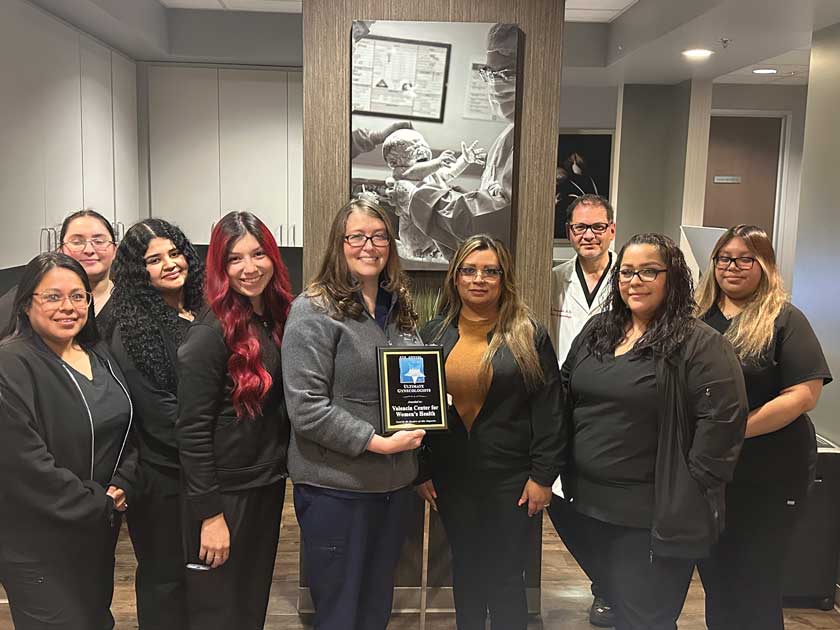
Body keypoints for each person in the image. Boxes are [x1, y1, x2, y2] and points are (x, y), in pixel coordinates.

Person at [562, 233, 748, 630]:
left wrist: (691, 487)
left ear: (673, 277)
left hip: (652, 515)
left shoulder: (699, 343)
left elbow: (722, 423)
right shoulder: (598, 330)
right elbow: (565, 390)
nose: (635, 281)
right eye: (626, 272)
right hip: (588, 505)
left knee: (647, 618)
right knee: (622, 608)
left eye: (649, 271)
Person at [281, 198, 425, 630]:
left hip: (393, 486)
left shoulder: (398, 308)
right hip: (337, 490)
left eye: (379, 236)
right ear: (338, 243)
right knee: (340, 612)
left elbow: (408, 380)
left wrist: (433, 401)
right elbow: (306, 407)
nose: (369, 246)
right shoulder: (312, 309)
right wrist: (378, 443)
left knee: (376, 605)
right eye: (357, 236)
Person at [415, 235, 565, 630]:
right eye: (469, 270)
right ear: (455, 277)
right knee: (465, 566)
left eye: (490, 271)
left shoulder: (529, 334)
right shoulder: (433, 333)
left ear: (504, 278)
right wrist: (422, 469)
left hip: (512, 478)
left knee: (505, 571)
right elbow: (419, 409)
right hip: (452, 476)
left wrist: (543, 476)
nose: (478, 279)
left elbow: (550, 410)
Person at [695, 225, 832, 630]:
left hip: (770, 472)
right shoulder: (697, 319)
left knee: (755, 579)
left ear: (765, 265)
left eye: (745, 259)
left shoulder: (784, 319)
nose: (732, 267)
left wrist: (734, 431)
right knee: (717, 577)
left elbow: (803, 395)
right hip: (711, 472)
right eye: (724, 258)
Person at [0, 252, 135, 630]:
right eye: (52, 296)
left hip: (94, 535)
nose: (68, 307)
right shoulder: (11, 364)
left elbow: (127, 425)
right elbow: (23, 463)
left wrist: (125, 480)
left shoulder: (98, 353)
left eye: (78, 296)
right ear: (26, 304)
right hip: (37, 543)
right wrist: (97, 502)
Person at [175, 211, 293, 629]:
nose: (249, 268)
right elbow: (191, 431)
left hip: (264, 484)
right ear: (220, 267)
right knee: (218, 611)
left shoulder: (274, 318)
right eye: (235, 259)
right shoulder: (209, 334)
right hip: (224, 495)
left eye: (258, 254)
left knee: (250, 603)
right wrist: (210, 516)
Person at [109, 219, 204, 629]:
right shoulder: (131, 329)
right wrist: (217, 443)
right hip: (163, 478)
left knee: (200, 578)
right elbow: (161, 414)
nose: (169, 264)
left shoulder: (200, 311)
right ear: (137, 271)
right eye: (154, 259)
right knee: (165, 581)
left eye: (175, 252)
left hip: (200, 471)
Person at [547, 193, 617, 627]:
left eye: (597, 227)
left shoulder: (629, 277)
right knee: (558, 498)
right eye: (579, 227)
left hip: (614, 405)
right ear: (569, 232)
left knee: (605, 499)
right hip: (562, 401)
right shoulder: (554, 279)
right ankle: (606, 581)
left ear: (611, 230)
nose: (588, 235)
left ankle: (611, 589)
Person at [407, 23, 517, 258]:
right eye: (489, 73)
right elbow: (486, 204)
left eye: (506, 73)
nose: (495, 83)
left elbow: (494, 220)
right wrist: (450, 192)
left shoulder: (529, 141)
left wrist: (423, 199)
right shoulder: (508, 136)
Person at [0, 209, 118, 336]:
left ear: (115, 250)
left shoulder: (128, 300)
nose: (89, 250)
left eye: (99, 241)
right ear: (60, 250)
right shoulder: (26, 296)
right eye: (77, 242)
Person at [382, 128, 485, 259]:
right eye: (412, 148)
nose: (421, 150)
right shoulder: (401, 174)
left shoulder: (432, 172)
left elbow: (450, 173)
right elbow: (414, 172)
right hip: (415, 232)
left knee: (444, 248)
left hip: (436, 226)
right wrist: (437, 162)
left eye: (422, 144)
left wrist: (464, 160)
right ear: (394, 162)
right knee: (419, 255)